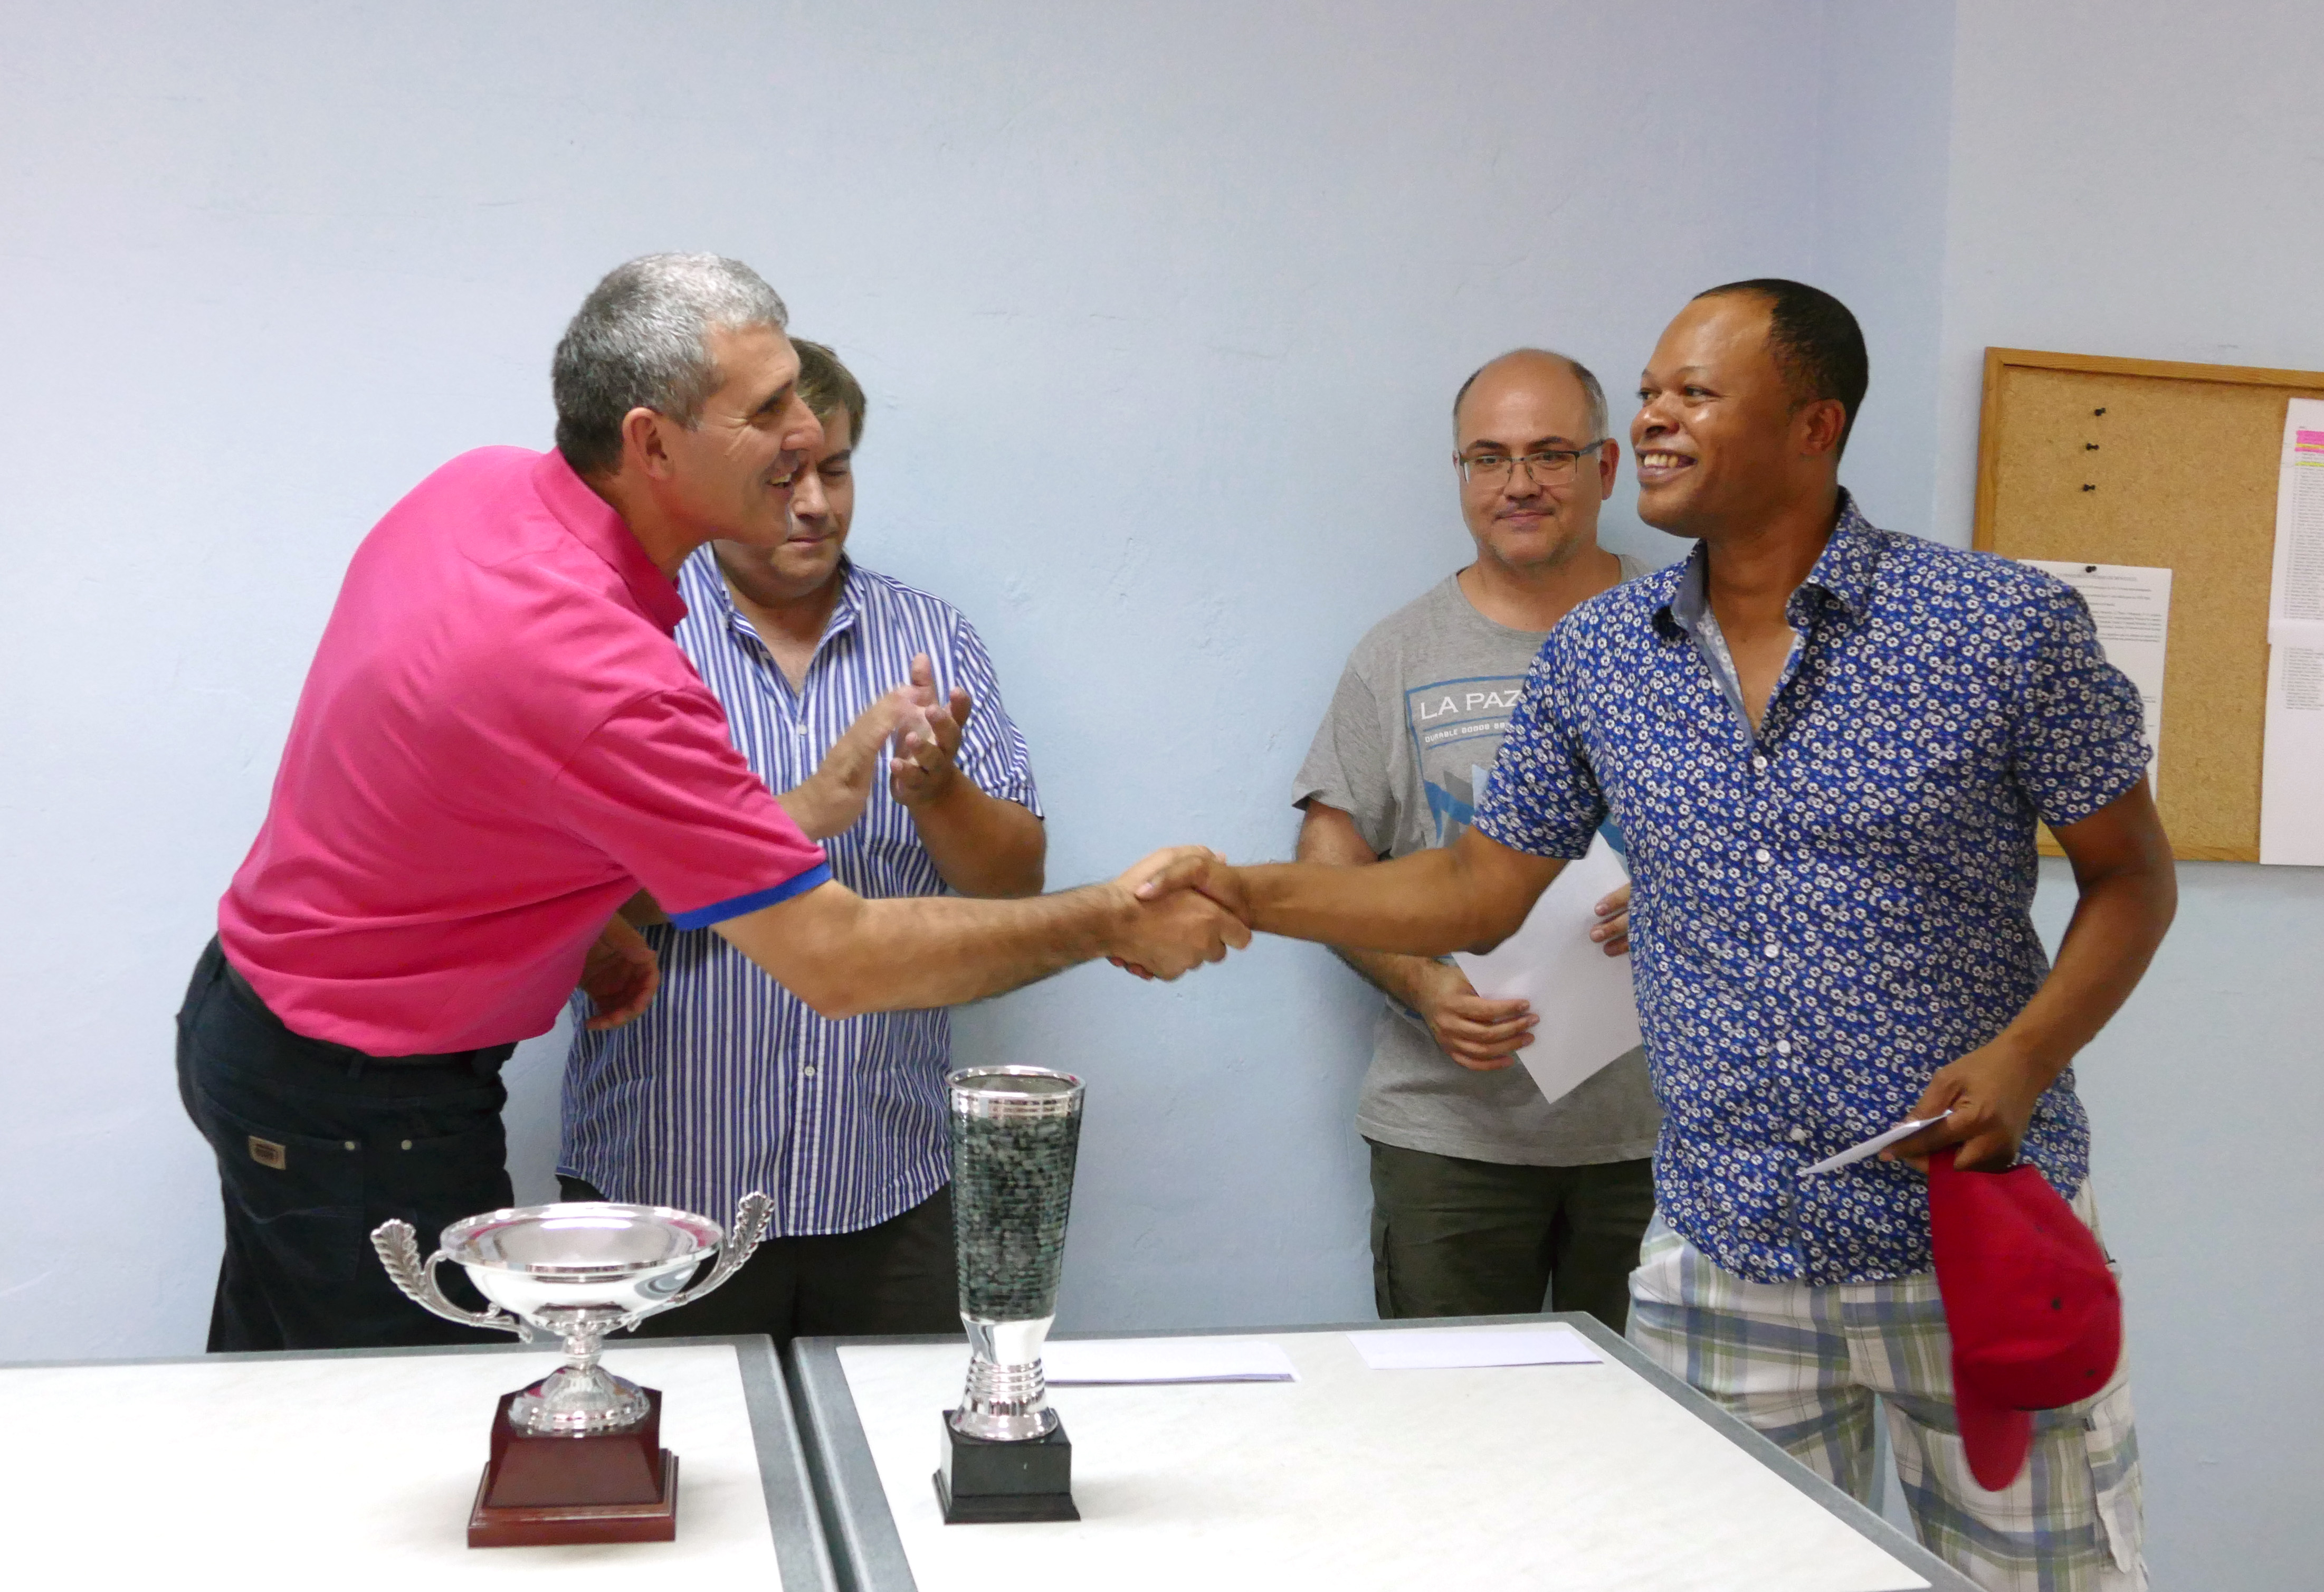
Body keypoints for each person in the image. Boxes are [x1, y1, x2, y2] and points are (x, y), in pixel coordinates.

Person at [1166, 281, 2171, 1590]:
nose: (1652, 419)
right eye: (1648, 392)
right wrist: (1246, 892)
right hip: (1726, 1250)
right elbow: (1477, 885)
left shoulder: (1996, 626)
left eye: (1694, 392)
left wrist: (2028, 1056)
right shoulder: (1602, 656)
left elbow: (2131, 877)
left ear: (1815, 424)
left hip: (1974, 1233)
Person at [178, 254, 1242, 1354]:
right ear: (652, 444)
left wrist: (580, 920)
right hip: (359, 1097)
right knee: (381, 1421)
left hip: (264, 1023)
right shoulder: (597, 666)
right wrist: (1109, 919)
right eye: (768, 410)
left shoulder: (481, 487)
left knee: (279, 1395)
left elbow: (438, 777)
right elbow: (838, 959)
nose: (803, 435)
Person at [557, 339, 1042, 1344]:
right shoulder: (627, 634)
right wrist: (804, 811)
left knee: (898, 1442)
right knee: (669, 1442)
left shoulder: (932, 637)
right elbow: (576, 898)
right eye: (784, 477)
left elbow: (1014, 884)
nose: (816, 504)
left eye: (837, 469)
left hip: (887, 1184)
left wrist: (939, 793)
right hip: (661, 1192)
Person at [1291, 348, 1659, 1330]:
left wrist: (1687, 896)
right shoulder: (1397, 655)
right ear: (1461, 474)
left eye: (1550, 454)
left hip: (1666, 1135)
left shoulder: (1693, 635)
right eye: (1489, 458)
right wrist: (1422, 984)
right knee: (1452, 1417)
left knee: (1657, 1419)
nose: (1519, 483)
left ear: (1606, 468)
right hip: (1451, 1140)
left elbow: (1794, 850)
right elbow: (1328, 869)